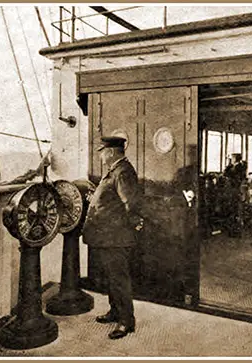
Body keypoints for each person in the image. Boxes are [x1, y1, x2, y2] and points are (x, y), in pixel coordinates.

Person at [82, 136, 144, 340]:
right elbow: (114, 199)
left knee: (119, 279)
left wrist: (127, 226)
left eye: (102, 151)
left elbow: (131, 204)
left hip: (116, 237)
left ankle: (126, 321)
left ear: (111, 152)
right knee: (111, 277)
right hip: (107, 236)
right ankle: (115, 311)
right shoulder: (115, 170)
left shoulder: (123, 171)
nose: (100, 155)